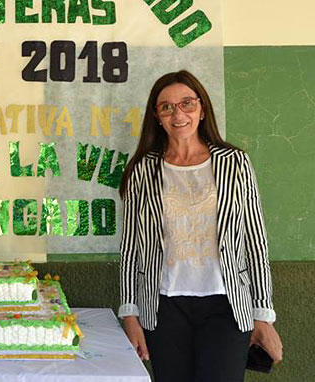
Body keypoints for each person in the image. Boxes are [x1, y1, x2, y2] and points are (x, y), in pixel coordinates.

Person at [118, 71, 283, 381]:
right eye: (166, 107)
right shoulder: (145, 169)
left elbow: (255, 241)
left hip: (228, 306)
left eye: (187, 103)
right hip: (163, 308)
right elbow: (131, 248)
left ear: (202, 109)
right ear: (157, 116)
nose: (178, 113)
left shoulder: (234, 163)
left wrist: (263, 315)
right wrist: (130, 314)